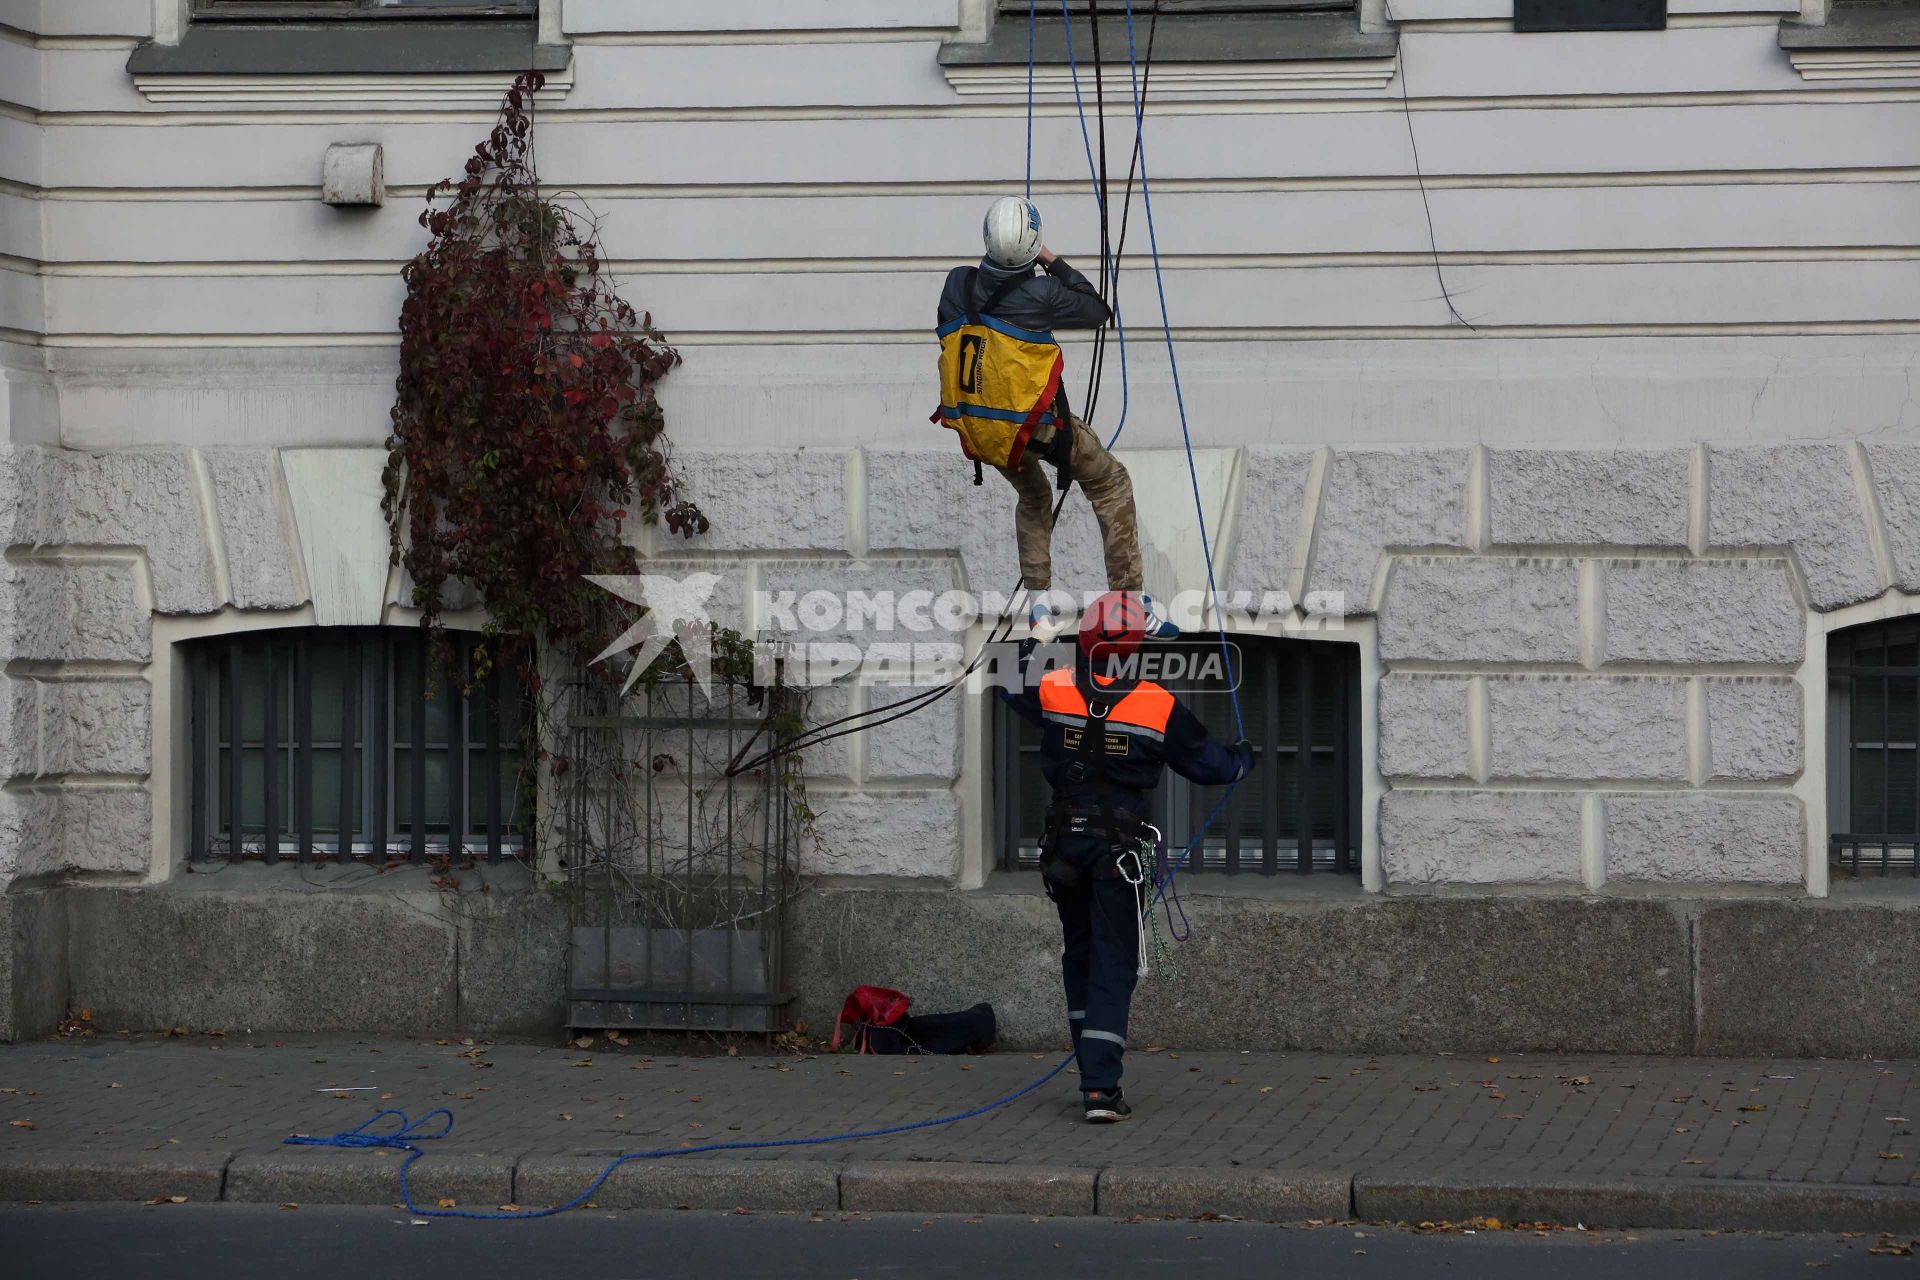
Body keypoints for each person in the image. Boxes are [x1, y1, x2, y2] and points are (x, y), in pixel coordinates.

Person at [998, 590, 1254, 1122]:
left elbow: (1008, 679)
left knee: (1081, 954)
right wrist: (1242, 759)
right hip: (1118, 852)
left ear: (1084, 641)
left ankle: (1090, 1066)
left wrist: (1036, 638)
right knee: (1114, 963)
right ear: (1136, 649)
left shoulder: (1056, 686)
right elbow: (1212, 767)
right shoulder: (1155, 704)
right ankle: (1100, 1090)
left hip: (1064, 847)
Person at [935, 196, 1175, 638]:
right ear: (1032, 247)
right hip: (1035, 426)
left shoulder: (956, 284)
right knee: (1110, 480)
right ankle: (1130, 603)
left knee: (1033, 497)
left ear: (986, 239)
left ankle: (1039, 604)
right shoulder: (1041, 293)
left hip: (985, 430)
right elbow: (1097, 310)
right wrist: (1051, 259)